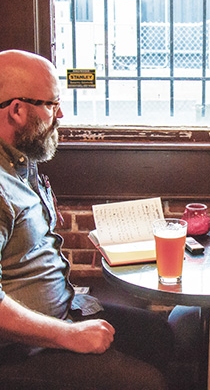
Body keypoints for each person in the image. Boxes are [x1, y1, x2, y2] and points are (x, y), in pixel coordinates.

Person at [0, 49, 174, 389]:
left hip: (61, 312)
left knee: (158, 335)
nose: (60, 113)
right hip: (17, 349)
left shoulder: (20, 159)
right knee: (146, 383)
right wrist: (68, 335)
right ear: (17, 110)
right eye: (51, 104)